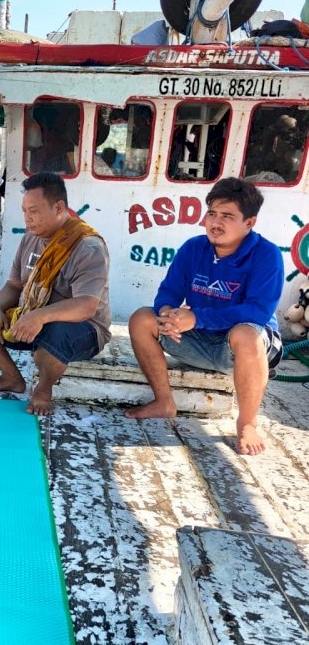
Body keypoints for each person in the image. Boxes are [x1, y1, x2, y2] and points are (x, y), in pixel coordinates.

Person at [124, 177, 284, 456]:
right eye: (212, 213)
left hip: (241, 351)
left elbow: (258, 311)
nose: (215, 222)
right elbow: (168, 292)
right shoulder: (193, 248)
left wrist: (197, 318)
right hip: (197, 341)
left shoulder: (266, 255)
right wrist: (167, 314)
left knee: (245, 333)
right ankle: (164, 402)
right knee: (142, 319)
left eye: (227, 216)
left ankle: (247, 423)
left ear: (249, 223)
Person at [0, 172, 111, 415]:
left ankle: (43, 390)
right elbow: (14, 285)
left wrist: (39, 317)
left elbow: (86, 305)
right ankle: (11, 377)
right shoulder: (31, 238)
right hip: (30, 318)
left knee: (56, 332)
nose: (27, 219)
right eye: (24, 211)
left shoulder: (87, 246)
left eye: (34, 211)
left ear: (59, 207)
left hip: (82, 329)